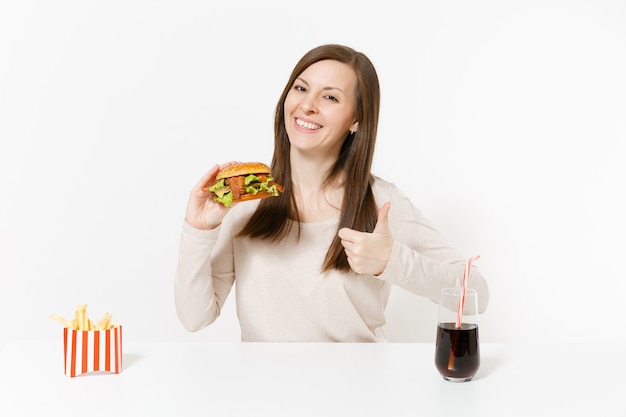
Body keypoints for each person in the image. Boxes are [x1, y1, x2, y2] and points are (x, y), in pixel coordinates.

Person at [174, 44, 489, 342]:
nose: (307, 106)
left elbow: (476, 293)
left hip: (358, 392)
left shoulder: (380, 201)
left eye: (330, 98)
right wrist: (199, 229)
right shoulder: (246, 200)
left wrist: (391, 260)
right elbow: (195, 317)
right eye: (300, 88)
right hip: (265, 392)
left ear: (355, 119)